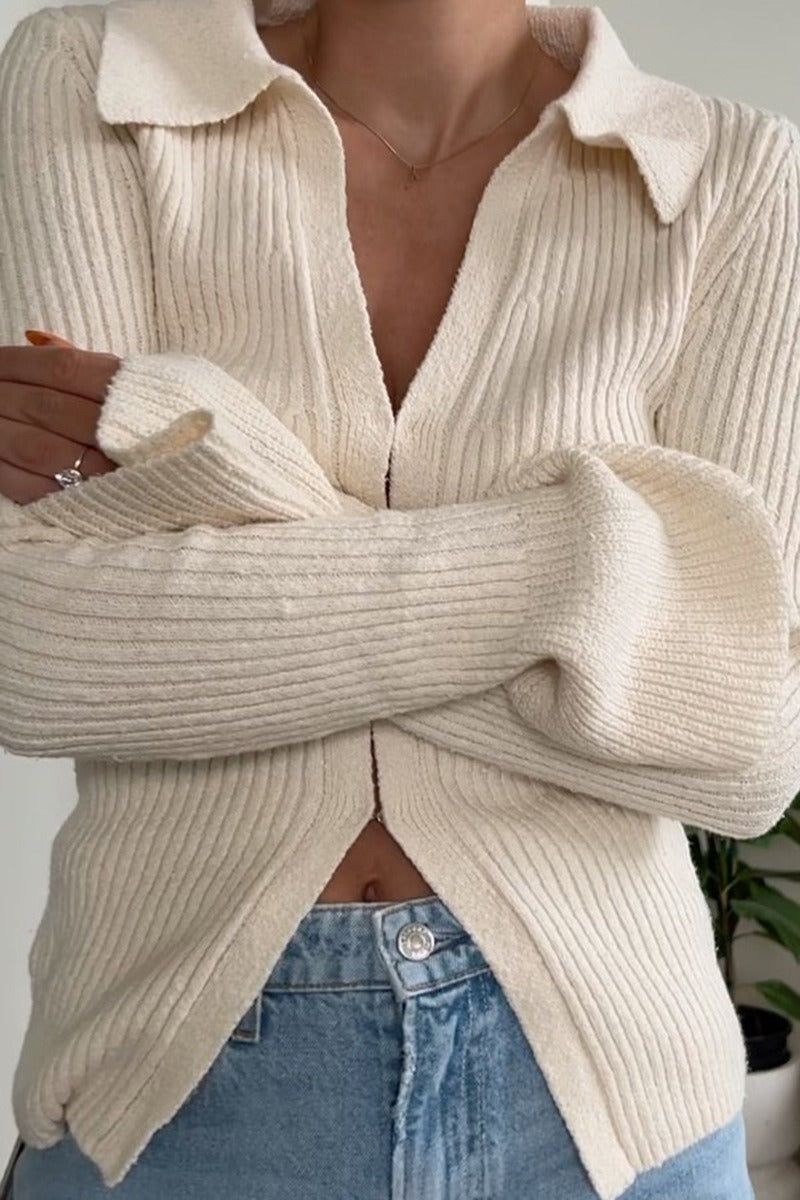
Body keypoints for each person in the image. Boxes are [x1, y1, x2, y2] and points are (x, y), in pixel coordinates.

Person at [0, 0, 798, 1195]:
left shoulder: (725, 172)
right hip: (171, 1085)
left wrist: (228, 477)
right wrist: (581, 567)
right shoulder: (105, 81)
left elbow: (742, 737)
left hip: (611, 1095)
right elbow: (39, 642)